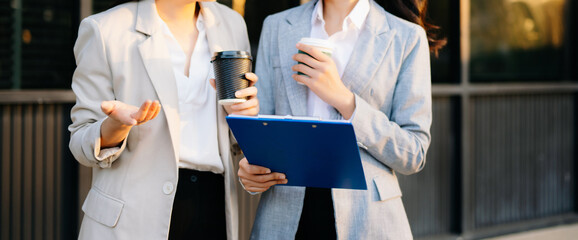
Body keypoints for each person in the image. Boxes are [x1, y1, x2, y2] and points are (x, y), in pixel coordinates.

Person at [238, 0, 446, 239]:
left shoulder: (407, 36)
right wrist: (250, 170)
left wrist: (344, 99)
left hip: (369, 220)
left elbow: (413, 152)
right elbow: (263, 133)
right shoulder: (277, 26)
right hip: (284, 216)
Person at [68, 0, 259, 239]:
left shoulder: (232, 24)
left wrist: (245, 117)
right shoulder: (104, 29)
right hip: (131, 218)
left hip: (213, 205)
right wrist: (116, 126)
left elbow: (232, 141)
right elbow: (80, 140)